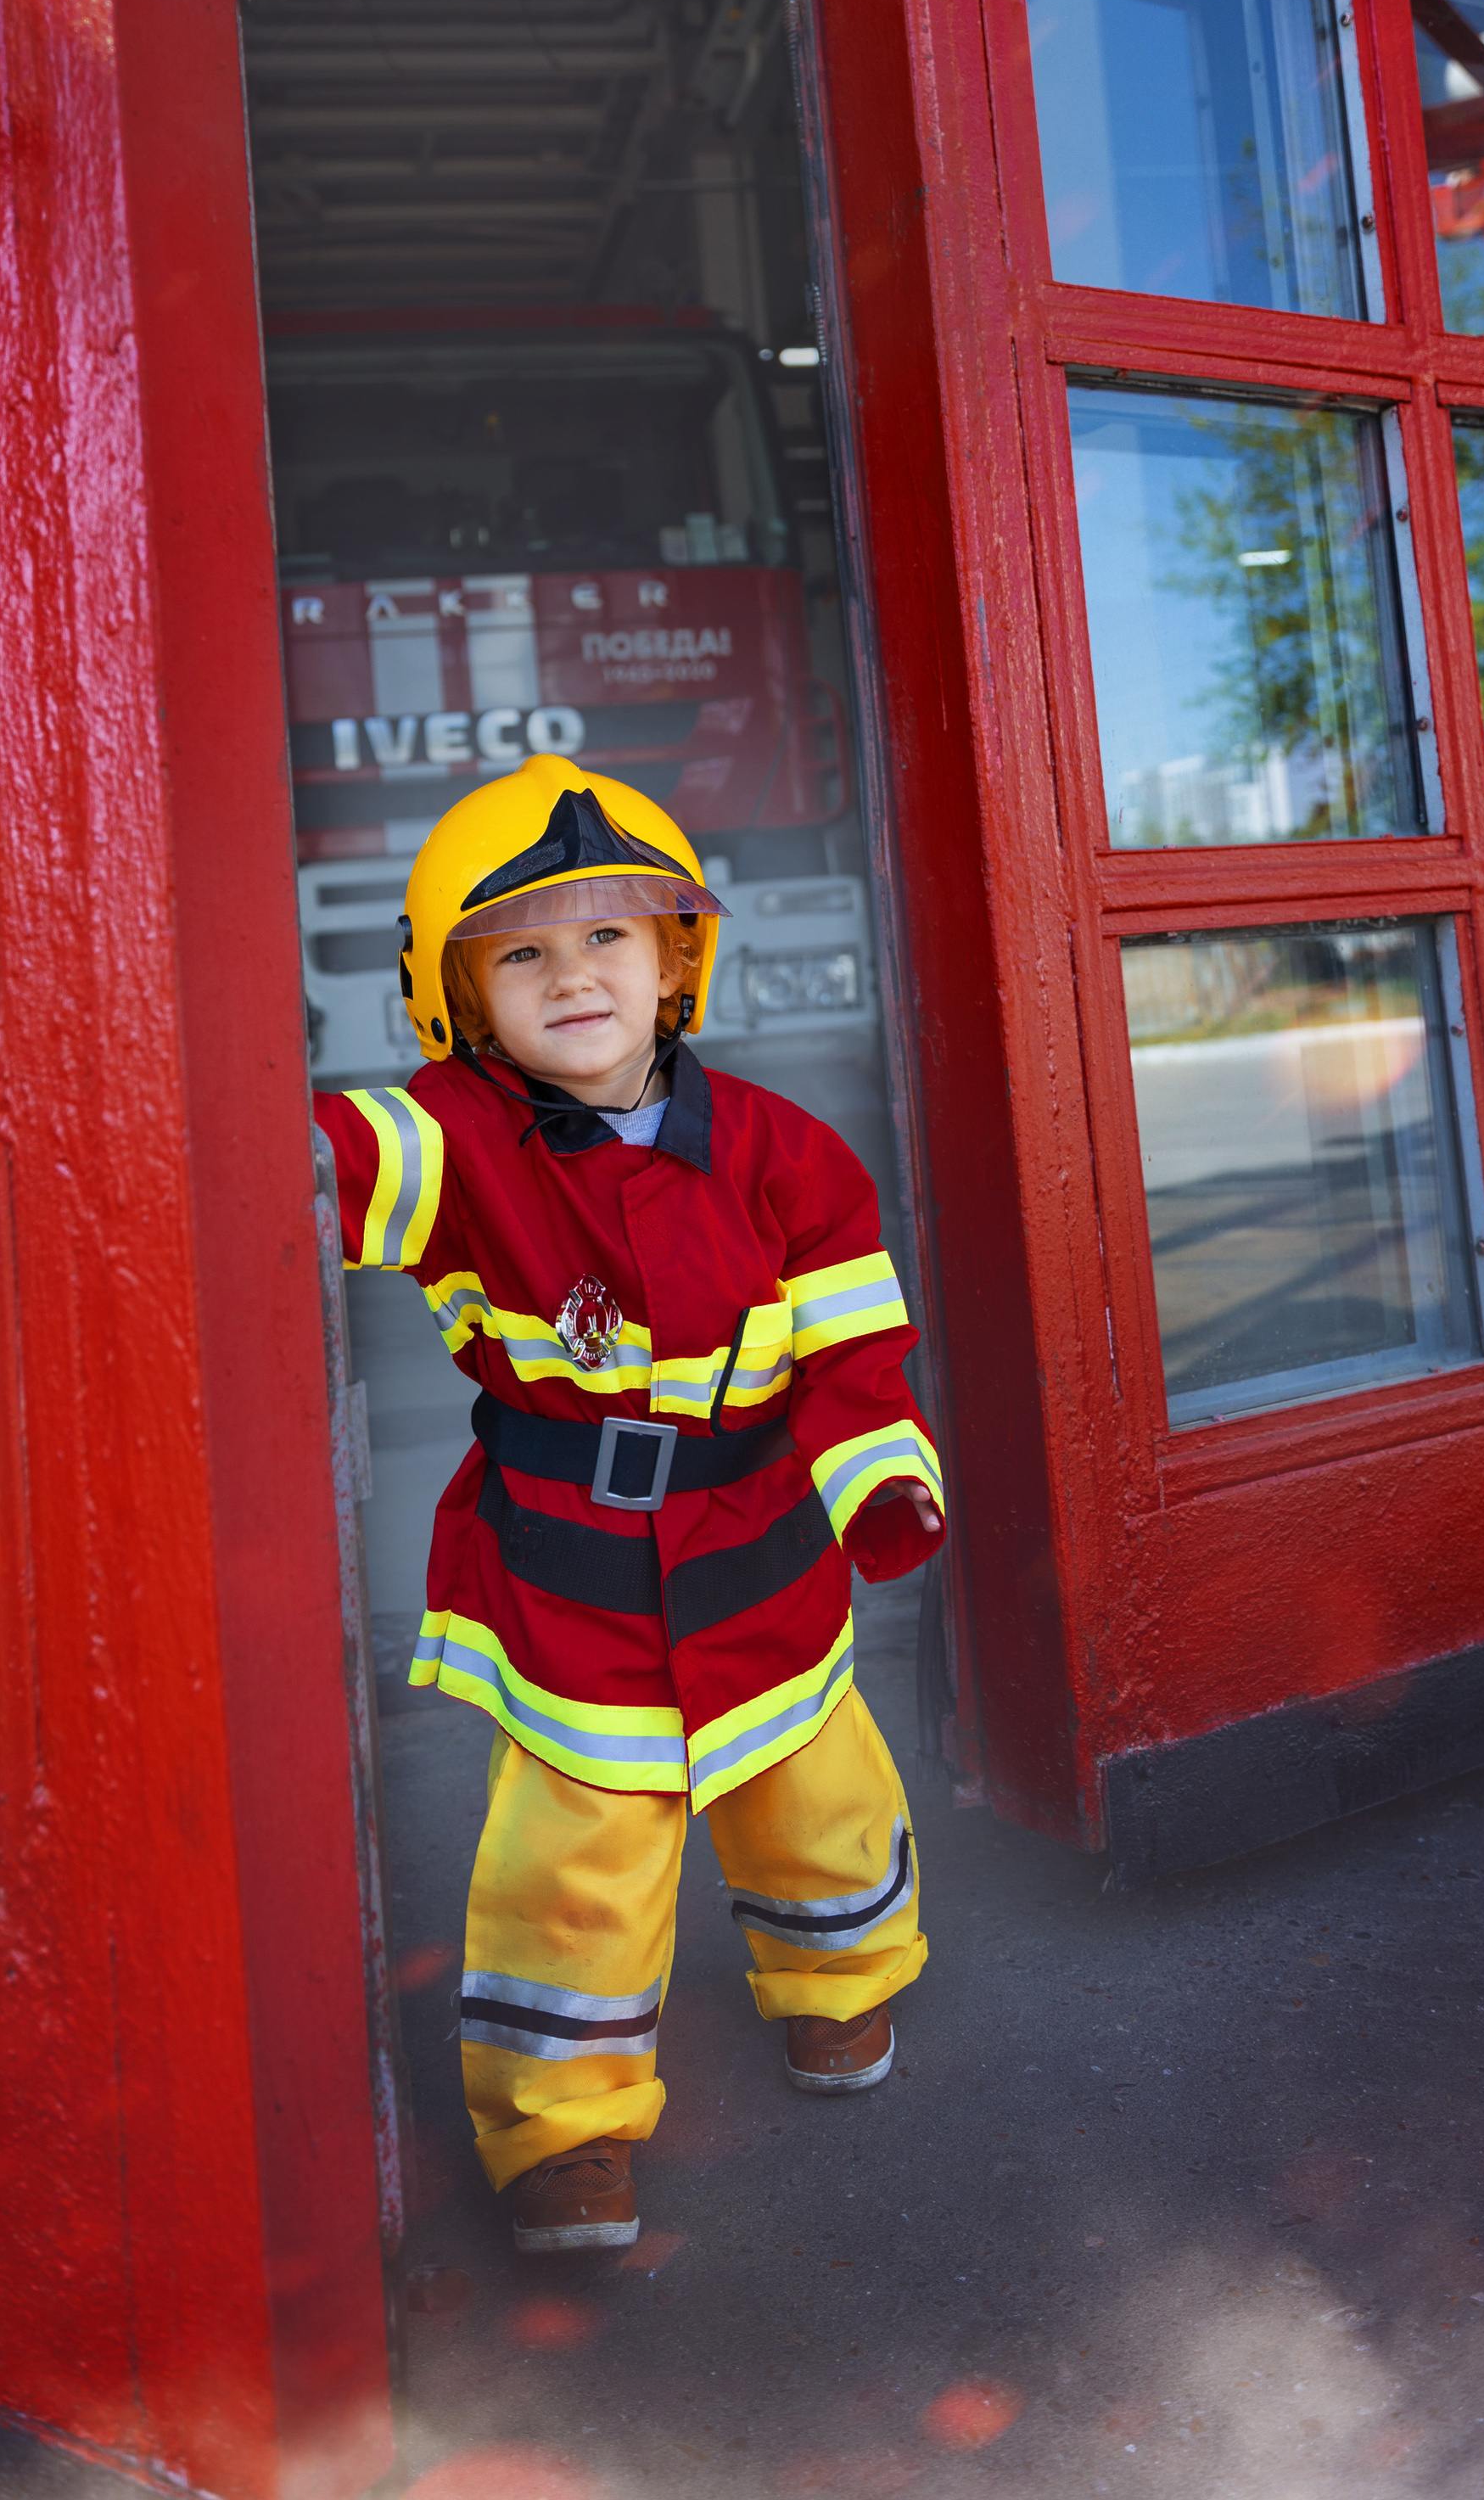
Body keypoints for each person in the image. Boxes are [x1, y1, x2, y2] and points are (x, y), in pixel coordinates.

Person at [314, 754, 944, 2256]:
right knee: (571, 1859)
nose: (572, 976)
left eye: (607, 937)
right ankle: (561, 2127)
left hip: (761, 1546)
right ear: (460, 1002)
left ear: (677, 964)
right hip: (569, 1569)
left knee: (818, 1797)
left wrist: (881, 1477)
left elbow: (855, 1356)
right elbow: (334, 1159)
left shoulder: (792, 1155)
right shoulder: (452, 1136)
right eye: (521, 954)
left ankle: (840, 1986)